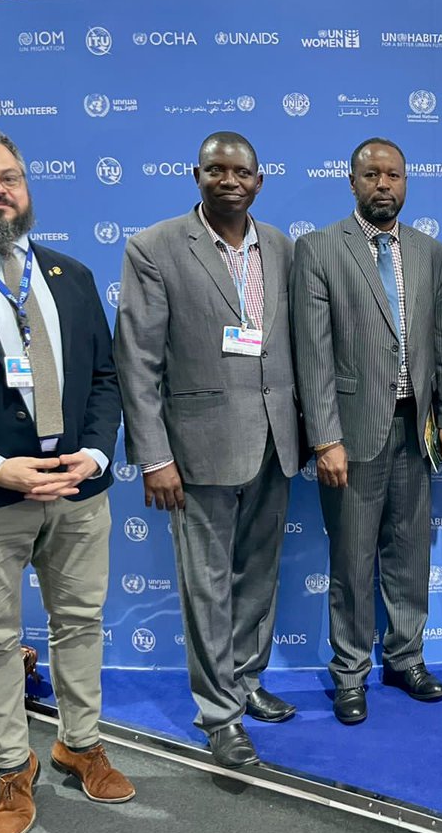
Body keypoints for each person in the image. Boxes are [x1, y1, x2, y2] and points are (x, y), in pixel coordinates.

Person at [0, 125, 132, 833]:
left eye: (9, 176)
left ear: (27, 187)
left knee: (80, 624)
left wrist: (96, 457)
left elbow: (105, 380)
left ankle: (81, 742)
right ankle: (14, 766)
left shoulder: (68, 276)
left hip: (75, 492)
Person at [113, 131, 301, 768]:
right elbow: (137, 361)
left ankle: (247, 682)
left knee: (258, 576)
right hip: (196, 451)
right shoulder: (156, 247)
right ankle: (219, 713)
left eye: (241, 171)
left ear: (259, 179)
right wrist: (155, 457)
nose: (229, 180)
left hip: (276, 440)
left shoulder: (280, 246)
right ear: (196, 175)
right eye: (216, 169)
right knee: (208, 584)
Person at [292, 137, 442, 725]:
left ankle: (406, 657)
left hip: (417, 430)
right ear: (353, 181)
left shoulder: (430, 252)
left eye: (394, 175)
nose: (384, 184)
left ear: (406, 183)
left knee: (409, 556)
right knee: (353, 561)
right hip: (352, 435)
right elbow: (312, 354)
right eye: (372, 175)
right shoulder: (318, 250)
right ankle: (350, 672)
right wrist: (325, 438)